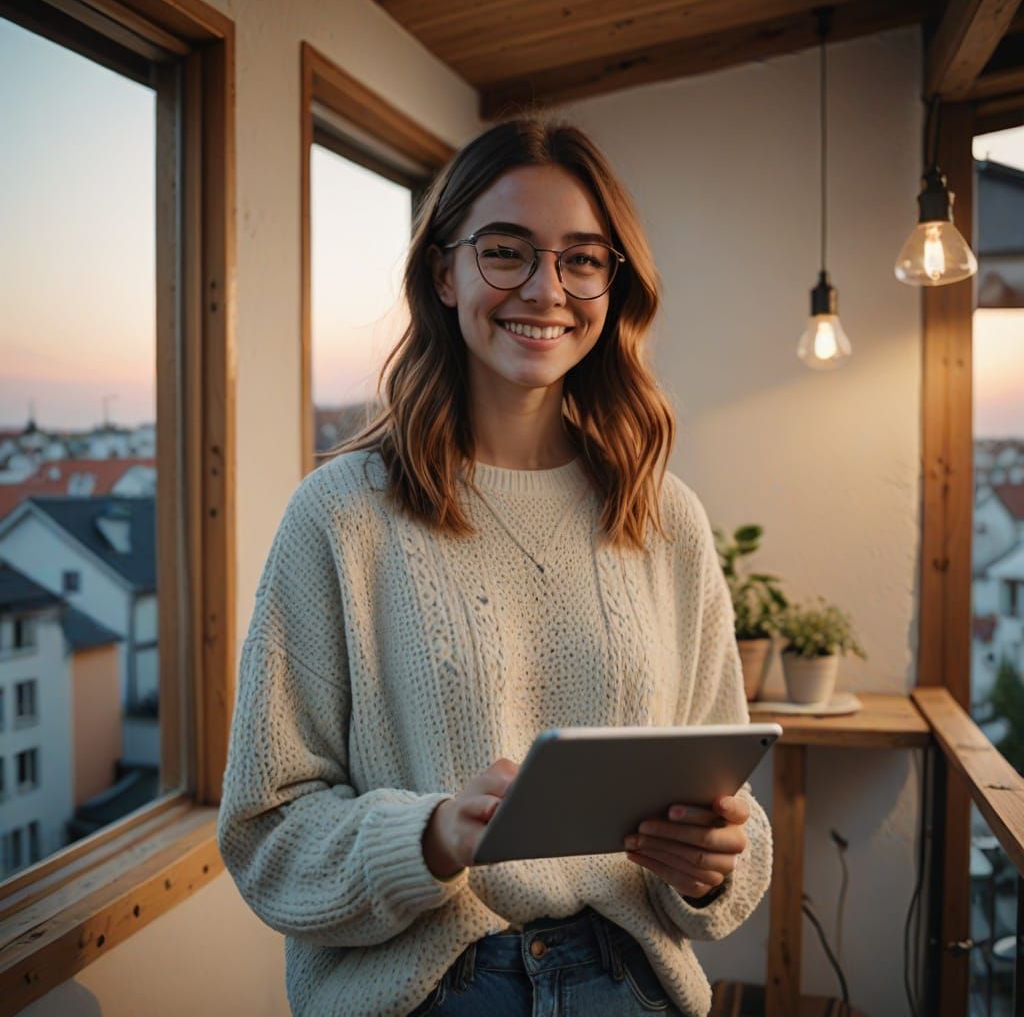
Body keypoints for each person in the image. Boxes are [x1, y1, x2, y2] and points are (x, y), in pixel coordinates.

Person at [217, 117, 772, 1017]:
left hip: (631, 983)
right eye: (506, 251)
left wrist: (713, 867)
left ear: (612, 284)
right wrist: (429, 838)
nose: (547, 288)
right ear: (444, 272)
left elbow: (733, 813)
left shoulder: (665, 518)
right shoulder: (342, 516)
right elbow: (264, 832)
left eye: (583, 259)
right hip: (431, 990)